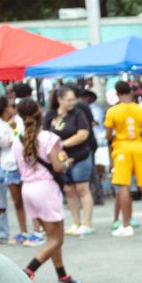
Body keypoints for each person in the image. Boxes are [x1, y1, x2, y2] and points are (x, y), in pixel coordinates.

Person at [14, 98, 83, 283]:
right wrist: (68, 162)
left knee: (53, 237)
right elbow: (58, 166)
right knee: (56, 239)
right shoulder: (48, 138)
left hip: (28, 189)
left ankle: (63, 277)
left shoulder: (16, 141)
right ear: (39, 114)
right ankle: (27, 272)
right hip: (46, 189)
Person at [105, 80, 142, 237]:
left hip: (121, 148)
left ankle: (126, 224)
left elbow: (108, 134)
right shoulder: (140, 110)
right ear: (130, 92)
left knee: (124, 186)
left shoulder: (112, 112)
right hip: (138, 147)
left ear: (116, 94)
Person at [51, 86, 98, 237]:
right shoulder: (51, 116)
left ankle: (87, 223)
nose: (72, 102)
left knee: (82, 188)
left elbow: (83, 134)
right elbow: (46, 135)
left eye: (73, 99)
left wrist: (63, 144)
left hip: (81, 155)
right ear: (60, 100)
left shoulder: (78, 114)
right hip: (62, 158)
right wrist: (58, 150)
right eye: (69, 99)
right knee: (69, 190)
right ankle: (76, 222)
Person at [0, 100, 26, 245]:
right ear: (4, 108)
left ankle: (35, 230)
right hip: (8, 165)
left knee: (30, 199)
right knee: (18, 201)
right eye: (12, 106)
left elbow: (22, 141)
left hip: (24, 164)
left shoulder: (19, 121)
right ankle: (23, 231)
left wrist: (14, 129)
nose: (14, 109)